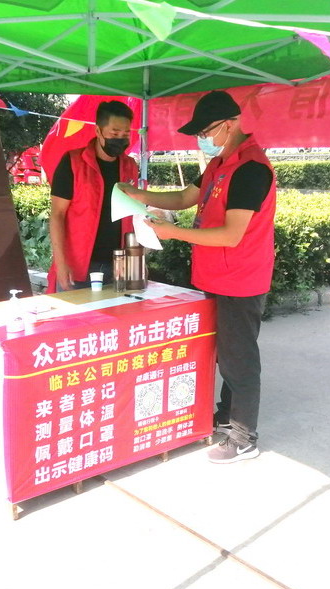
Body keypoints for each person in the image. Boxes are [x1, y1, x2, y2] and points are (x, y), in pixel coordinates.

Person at [118, 90, 276, 463]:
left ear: (230, 124)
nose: (202, 139)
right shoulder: (219, 164)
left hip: (240, 279)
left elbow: (231, 234)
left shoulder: (250, 169)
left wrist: (173, 233)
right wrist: (139, 195)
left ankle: (243, 438)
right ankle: (226, 417)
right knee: (224, 356)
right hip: (216, 276)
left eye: (206, 131)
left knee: (239, 359)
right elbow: (184, 198)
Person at [47, 100, 138, 292]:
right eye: (114, 133)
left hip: (118, 266)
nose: (120, 139)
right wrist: (61, 263)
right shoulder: (72, 162)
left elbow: (133, 215)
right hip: (78, 266)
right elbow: (57, 215)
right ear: (98, 131)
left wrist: (134, 258)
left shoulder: (130, 166)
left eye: (125, 134)